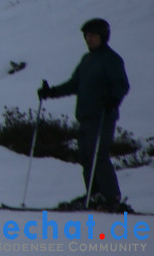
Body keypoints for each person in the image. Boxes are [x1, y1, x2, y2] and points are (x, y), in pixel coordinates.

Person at [38, 18, 130, 211]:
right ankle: (94, 194)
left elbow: (121, 84)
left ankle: (111, 196)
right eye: (86, 36)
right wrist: (51, 92)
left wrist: (113, 100)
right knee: (87, 157)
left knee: (99, 155)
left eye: (93, 35)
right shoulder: (87, 60)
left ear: (103, 37)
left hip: (103, 117)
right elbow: (74, 84)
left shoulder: (111, 59)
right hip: (86, 118)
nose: (89, 39)